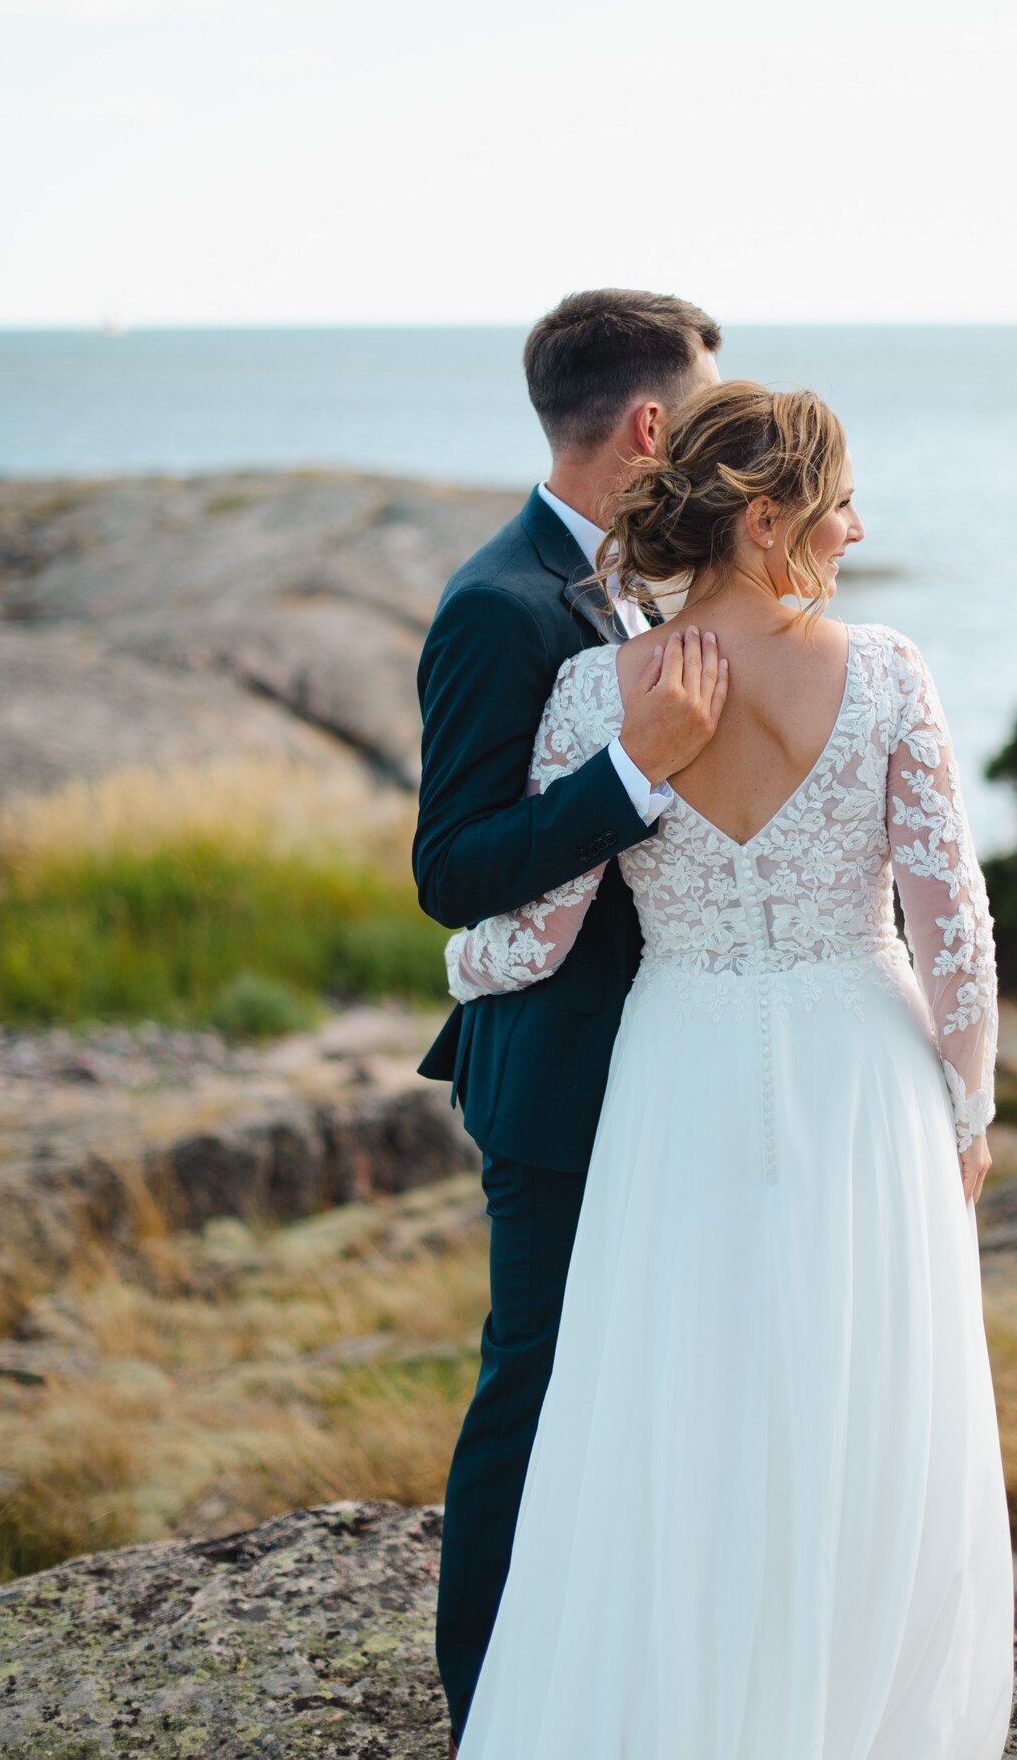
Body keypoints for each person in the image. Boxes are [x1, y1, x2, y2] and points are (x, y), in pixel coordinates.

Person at [441, 379, 1016, 1757]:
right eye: (837, 505)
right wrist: (971, 1104)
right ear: (767, 522)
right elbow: (957, 936)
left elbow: (532, 931)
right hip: (864, 1075)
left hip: (678, 1064)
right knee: (860, 1402)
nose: (858, 528)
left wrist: (460, 973)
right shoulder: (882, 671)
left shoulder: (599, 689)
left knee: (674, 1401)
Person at [412, 289, 726, 1754]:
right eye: (709, 408)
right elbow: (452, 867)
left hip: (666, 1059)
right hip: (551, 1075)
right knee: (530, 1391)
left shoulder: (641, 583)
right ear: (654, 425)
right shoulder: (501, 603)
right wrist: (633, 773)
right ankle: (489, 1708)